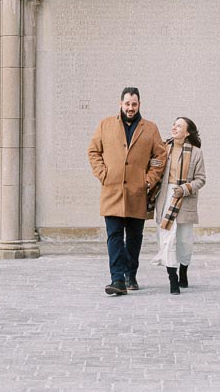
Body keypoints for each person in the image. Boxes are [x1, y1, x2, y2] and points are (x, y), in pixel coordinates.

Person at [88, 87, 166, 296]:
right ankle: (117, 279)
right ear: (120, 104)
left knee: (134, 237)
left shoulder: (150, 128)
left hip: (137, 192)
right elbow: (93, 151)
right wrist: (103, 174)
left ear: (139, 105)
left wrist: (148, 180)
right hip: (111, 190)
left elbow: (160, 157)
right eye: (127, 104)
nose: (130, 108)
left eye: (134, 104)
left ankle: (131, 274)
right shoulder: (105, 125)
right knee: (113, 236)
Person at [154, 117, 206, 294]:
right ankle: (172, 279)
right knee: (167, 239)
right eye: (174, 124)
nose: (174, 127)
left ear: (188, 132)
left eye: (179, 126)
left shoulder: (196, 152)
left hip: (184, 197)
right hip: (165, 197)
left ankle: (183, 269)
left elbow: (201, 179)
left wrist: (185, 188)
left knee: (184, 241)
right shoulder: (162, 148)